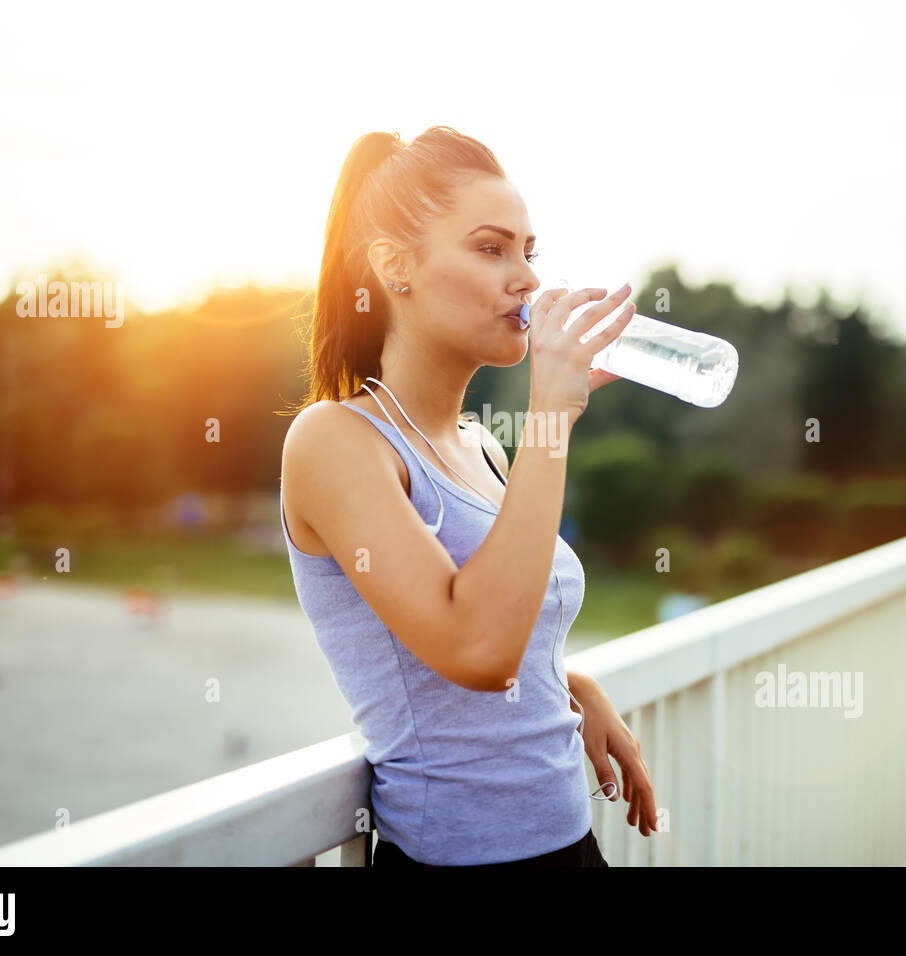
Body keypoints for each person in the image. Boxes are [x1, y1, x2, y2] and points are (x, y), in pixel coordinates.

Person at [279, 126, 658, 867]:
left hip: (570, 847)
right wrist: (551, 415)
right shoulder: (334, 440)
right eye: (491, 249)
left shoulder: (481, 444)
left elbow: (505, 625)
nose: (527, 280)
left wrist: (570, 685)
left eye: (529, 252)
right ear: (394, 266)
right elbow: (478, 650)